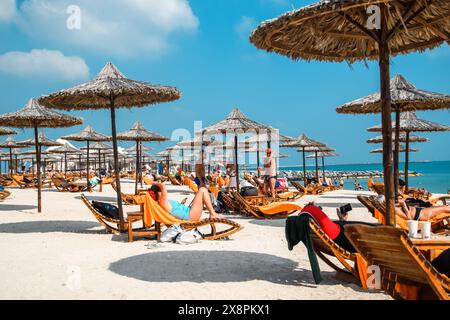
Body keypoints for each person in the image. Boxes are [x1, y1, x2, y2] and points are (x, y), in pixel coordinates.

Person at [301, 203, 377, 253]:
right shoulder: (311, 209)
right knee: (374, 229)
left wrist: (342, 220)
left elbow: (329, 228)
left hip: (340, 231)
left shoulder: (307, 214)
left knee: (370, 227)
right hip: (343, 237)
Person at [148, 182, 223, 221]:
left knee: (201, 192)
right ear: (157, 193)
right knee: (202, 189)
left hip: (189, 213)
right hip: (190, 216)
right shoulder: (162, 202)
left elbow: (174, 211)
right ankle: (213, 213)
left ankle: (213, 213)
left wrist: (181, 204)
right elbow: (163, 186)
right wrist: (155, 183)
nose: (162, 192)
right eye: (160, 191)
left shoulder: (163, 203)